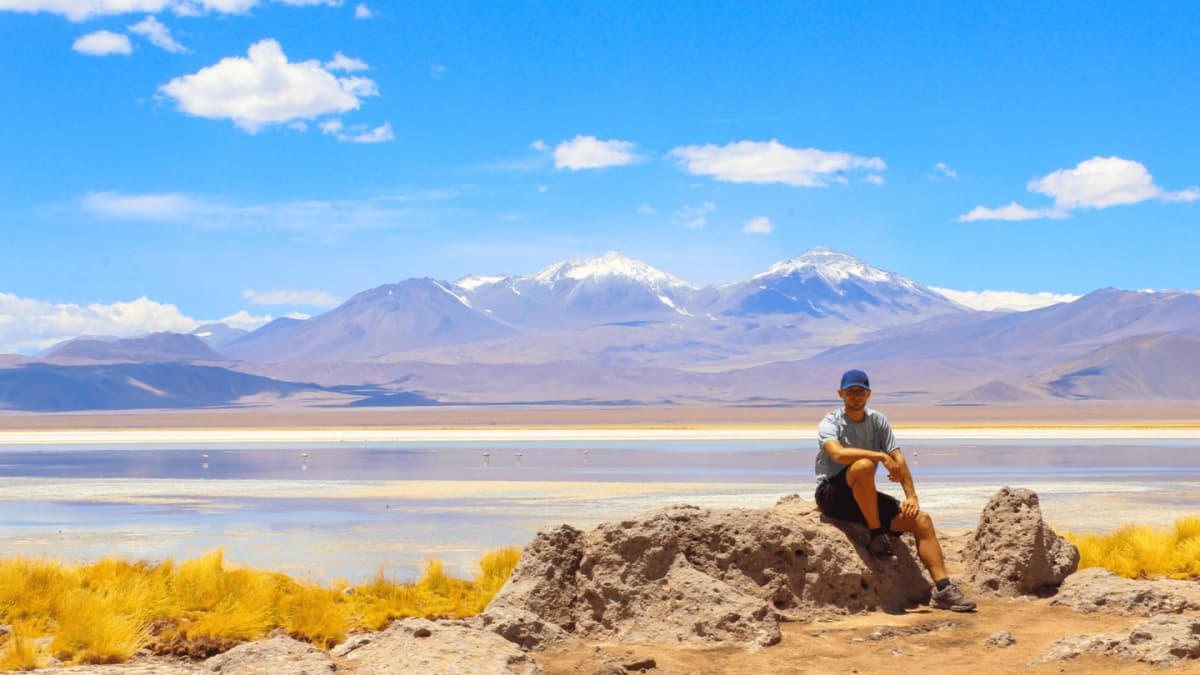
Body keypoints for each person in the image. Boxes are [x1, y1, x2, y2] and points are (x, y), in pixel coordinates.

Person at [814, 369, 976, 612]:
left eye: (860, 392)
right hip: (833, 496)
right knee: (864, 465)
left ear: (868, 394)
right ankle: (877, 534)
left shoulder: (878, 421)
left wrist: (911, 496)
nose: (856, 397)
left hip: (863, 496)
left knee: (921, 520)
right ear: (841, 394)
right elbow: (837, 453)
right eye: (850, 392)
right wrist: (878, 454)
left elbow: (898, 458)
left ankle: (943, 589)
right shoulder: (831, 421)